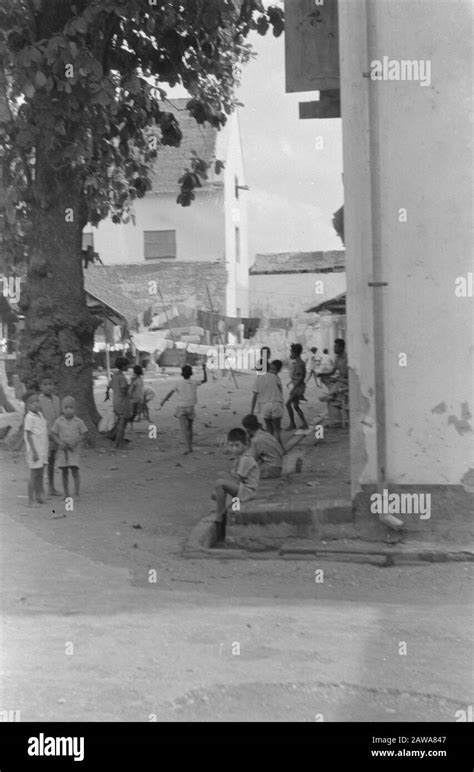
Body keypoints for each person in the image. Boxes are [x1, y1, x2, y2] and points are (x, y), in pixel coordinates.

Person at [213, 427, 259, 543]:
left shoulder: (246, 459)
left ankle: (220, 514)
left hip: (247, 491)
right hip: (242, 488)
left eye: (237, 446)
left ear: (245, 444)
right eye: (231, 446)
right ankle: (223, 509)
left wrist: (224, 475)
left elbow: (237, 478)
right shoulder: (240, 458)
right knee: (216, 493)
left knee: (220, 484)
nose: (234, 449)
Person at [160, 363, 207, 454]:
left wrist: (164, 401)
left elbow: (170, 393)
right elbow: (205, 380)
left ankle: (188, 447)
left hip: (181, 407)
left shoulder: (178, 383)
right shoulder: (194, 382)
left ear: (182, 373)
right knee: (190, 427)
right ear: (191, 373)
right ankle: (190, 444)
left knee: (184, 428)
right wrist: (204, 369)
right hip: (191, 407)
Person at [51, 396, 88, 500]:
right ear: (62, 409)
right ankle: (66, 493)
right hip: (63, 451)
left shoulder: (78, 422)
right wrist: (59, 442)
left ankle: (76, 493)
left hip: (74, 451)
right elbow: (54, 434)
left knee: (75, 471)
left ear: (75, 409)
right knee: (64, 472)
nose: (68, 410)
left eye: (71, 407)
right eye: (66, 407)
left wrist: (76, 441)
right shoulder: (59, 421)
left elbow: (84, 433)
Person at [250, 359, 285, 446]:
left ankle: (271, 448)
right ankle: (280, 446)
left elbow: (255, 396)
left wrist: (252, 411)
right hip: (277, 403)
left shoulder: (257, 379)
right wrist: (281, 404)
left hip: (265, 405)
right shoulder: (275, 377)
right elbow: (280, 391)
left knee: (269, 428)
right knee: (277, 429)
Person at [23, 391, 48, 506]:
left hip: (42, 449)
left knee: (40, 473)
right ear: (27, 406)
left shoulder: (40, 415)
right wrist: (34, 452)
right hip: (35, 451)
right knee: (34, 474)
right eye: (32, 402)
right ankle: (30, 500)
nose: (36, 404)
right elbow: (28, 436)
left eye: (37, 401)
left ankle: (39, 496)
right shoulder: (29, 417)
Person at [38, 377, 61, 496]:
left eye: (51, 384)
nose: (48, 387)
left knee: (52, 461)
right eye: (45, 384)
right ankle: (40, 489)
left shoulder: (57, 399)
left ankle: (51, 487)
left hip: (55, 436)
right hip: (43, 436)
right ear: (41, 387)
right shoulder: (38, 400)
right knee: (42, 462)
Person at [319, 339, 349, 426]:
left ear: (341, 347)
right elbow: (332, 372)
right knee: (330, 382)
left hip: (347, 382)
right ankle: (334, 421)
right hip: (341, 381)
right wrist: (322, 374)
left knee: (336, 383)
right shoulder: (337, 358)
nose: (334, 348)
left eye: (335, 346)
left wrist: (336, 379)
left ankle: (329, 395)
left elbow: (350, 377)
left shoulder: (348, 358)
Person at [105, 357, 131, 449]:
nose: (129, 366)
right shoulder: (122, 378)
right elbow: (124, 390)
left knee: (120, 422)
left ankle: (118, 440)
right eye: (127, 365)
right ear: (123, 366)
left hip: (116, 401)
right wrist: (130, 386)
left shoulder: (114, 376)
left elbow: (109, 387)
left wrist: (107, 395)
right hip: (122, 402)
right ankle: (118, 443)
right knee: (122, 423)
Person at [285, 343, 309, 431]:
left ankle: (292, 423)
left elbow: (300, 377)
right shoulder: (299, 362)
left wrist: (294, 389)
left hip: (298, 388)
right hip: (299, 387)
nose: (290, 354)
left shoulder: (298, 363)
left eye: (291, 352)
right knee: (295, 406)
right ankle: (304, 423)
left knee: (287, 404)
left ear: (295, 353)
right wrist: (290, 382)